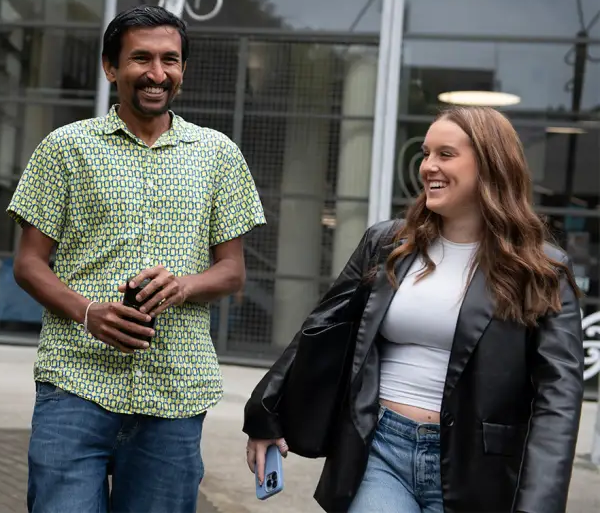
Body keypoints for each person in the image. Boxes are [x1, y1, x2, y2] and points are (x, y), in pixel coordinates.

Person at [243, 106, 585, 513]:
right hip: (380, 446)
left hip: (476, 467)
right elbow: (320, 328)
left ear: (491, 164)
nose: (428, 167)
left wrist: (539, 503)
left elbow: (558, 397)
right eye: (426, 153)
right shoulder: (388, 243)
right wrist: (264, 410)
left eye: (446, 154)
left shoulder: (541, 268)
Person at [8, 5, 265, 513]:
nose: (156, 73)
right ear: (111, 67)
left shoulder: (218, 153)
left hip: (175, 389)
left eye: (170, 60)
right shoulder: (65, 148)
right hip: (75, 381)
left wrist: (184, 286)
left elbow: (232, 271)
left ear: (183, 70)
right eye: (140, 58)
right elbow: (29, 263)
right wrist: (89, 313)